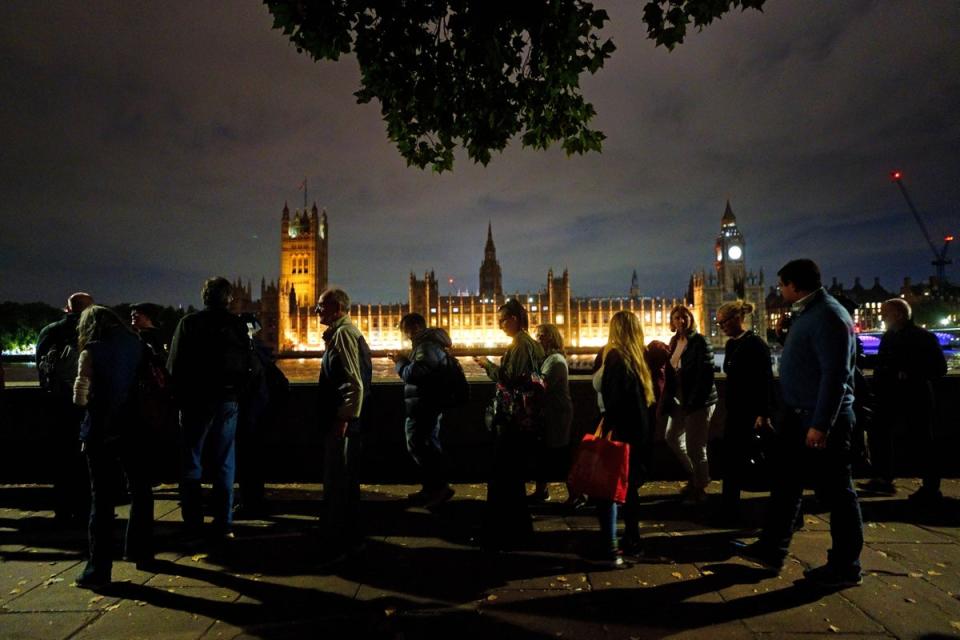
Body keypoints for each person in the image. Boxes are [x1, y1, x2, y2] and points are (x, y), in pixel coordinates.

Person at [736, 259, 864, 589]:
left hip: (819, 420)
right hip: (797, 417)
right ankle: (771, 549)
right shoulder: (809, 313)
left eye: (782, 285)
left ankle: (846, 566)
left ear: (795, 285)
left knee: (838, 494)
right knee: (785, 485)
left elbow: (835, 375)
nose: (778, 291)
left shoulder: (828, 314)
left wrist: (821, 424)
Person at [72, 305, 153, 588]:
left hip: (101, 431)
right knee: (141, 490)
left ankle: (99, 570)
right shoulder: (136, 344)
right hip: (133, 427)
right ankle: (142, 552)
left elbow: (80, 398)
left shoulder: (91, 351)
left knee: (103, 501)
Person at [167, 277, 251, 541]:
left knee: (191, 460)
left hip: (196, 401)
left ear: (204, 297)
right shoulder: (238, 324)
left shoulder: (189, 323)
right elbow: (250, 363)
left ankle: (193, 522)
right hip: (228, 401)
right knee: (225, 462)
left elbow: (174, 366)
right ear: (229, 298)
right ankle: (224, 522)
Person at [860, 298, 947, 504]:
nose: (882, 318)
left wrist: (908, 373)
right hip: (889, 396)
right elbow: (884, 362)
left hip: (913, 397)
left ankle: (930, 488)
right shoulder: (891, 336)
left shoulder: (923, 337)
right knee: (879, 433)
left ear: (898, 315)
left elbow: (939, 369)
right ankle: (883, 478)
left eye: (885, 314)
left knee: (922, 441)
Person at [475, 298, 545, 549]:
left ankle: (503, 531)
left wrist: (487, 365)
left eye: (502, 320)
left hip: (513, 418)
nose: (500, 326)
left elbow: (510, 378)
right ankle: (517, 530)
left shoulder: (520, 346)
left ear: (514, 319)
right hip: (525, 418)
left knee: (503, 476)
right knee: (512, 477)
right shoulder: (531, 345)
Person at [592, 311, 656, 565]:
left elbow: (614, 401)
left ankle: (611, 549)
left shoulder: (616, 356)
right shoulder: (638, 356)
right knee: (629, 492)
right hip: (637, 432)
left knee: (607, 491)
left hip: (619, 433)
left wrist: (607, 428)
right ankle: (633, 541)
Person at [315, 287, 372, 560]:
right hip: (343, 420)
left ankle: (345, 542)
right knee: (341, 482)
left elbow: (355, 383)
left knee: (341, 483)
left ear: (337, 307)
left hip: (345, 423)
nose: (316, 311)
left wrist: (344, 418)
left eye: (321, 306)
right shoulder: (340, 333)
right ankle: (344, 538)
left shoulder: (344, 334)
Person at [36, 291, 94, 524]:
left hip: (58, 402)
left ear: (67, 308)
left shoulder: (50, 331)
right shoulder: (95, 332)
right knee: (87, 458)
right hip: (88, 402)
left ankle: (62, 507)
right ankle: (86, 507)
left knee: (61, 457)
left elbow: (42, 369)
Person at [715, 300, 774, 524]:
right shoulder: (731, 345)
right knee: (730, 463)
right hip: (734, 411)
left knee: (743, 463)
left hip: (750, 414)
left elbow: (765, 380)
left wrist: (763, 413)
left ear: (738, 319)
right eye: (718, 323)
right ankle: (729, 510)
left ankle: (736, 512)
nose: (721, 327)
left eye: (724, 322)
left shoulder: (756, 345)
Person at [390, 312, 455, 509]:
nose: (407, 336)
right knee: (425, 445)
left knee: (421, 446)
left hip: (425, 405)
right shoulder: (429, 344)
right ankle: (430, 489)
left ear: (415, 328)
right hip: (427, 403)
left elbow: (416, 373)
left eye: (407, 332)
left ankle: (440, 488)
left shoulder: (426, 346)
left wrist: (400, 361)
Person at [235, 314, 289, 518]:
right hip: (261, 414)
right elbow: (281, 384)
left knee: (247, 462)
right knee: (255, 463)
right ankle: (255, 501)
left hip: (248, 415)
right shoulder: (262, 353)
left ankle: (250, 504)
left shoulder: (248, 353)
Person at [664, 304, 718, 504]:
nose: (681, 321)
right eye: (677, 317)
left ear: (691, 319)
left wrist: (693, 403)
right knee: (671, 437)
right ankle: (695, 476)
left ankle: (700, 488)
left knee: (697, 446)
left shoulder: (701, 342)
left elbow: (705, 376)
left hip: (699, 401)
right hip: (680, 399)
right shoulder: (674, 341)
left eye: (685, 317)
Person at [529, 323, 573, 503]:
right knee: (543, 453)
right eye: (537, 335)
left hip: (557, 414)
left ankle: (576, 494)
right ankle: (541, 490)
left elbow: (541, 385)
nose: (537, 339)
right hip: (549, 413)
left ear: (551, 338)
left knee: (560, 455)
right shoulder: (548, 359)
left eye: (541, 335)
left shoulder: (555, 361)